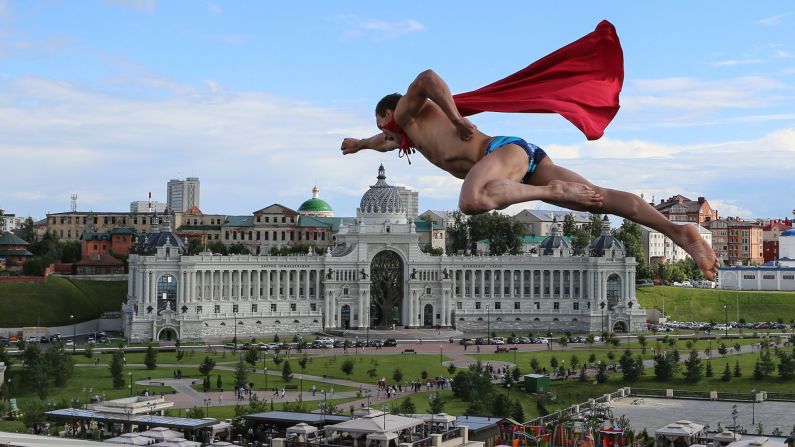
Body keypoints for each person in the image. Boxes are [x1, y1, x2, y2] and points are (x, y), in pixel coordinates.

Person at [340, 69, 718, 280]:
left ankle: (549, 192)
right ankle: (680, 232)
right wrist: (360, 144)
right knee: (600, 198)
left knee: (472, 201)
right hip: (522, 155)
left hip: (498, 153)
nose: (388, 137)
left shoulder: (407, 111)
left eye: (384, 127)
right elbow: (384, 142)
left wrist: (456, 119)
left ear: (391, 113)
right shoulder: (403, 134)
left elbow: (426, 78)